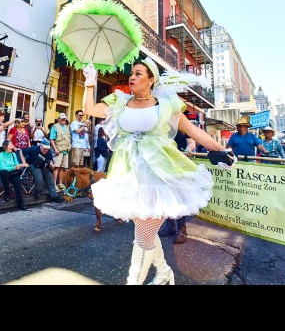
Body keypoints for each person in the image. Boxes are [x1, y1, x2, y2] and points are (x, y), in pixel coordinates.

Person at [82, 58, 229, 285]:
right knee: (145, 233)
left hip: (161, 177)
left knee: (143, 236)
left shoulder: (166, 104)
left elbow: (193, 131)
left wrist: (221, 150)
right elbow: (89, 109)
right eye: (131, 73)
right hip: (130, 177)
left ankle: (135, 282)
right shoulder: (120, 102)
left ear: (151, 80)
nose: (132, 77)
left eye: (139, 73)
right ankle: (163, 274)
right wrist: (89, 83)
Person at [158, 131, 196, 244]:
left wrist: (188, 149)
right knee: (166, 196)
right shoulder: (160, 122)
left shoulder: (180, 123)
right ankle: (170, 226)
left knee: (179, 197)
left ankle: (181, 229)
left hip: (179, 165)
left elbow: (191, 141)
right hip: (163, 165)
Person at [19, 138, 63, 203]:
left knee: (50, 177)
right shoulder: (34, 149)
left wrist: (51, 164)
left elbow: (50, 160)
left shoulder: (48, 152)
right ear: (41, 146)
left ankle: (54, 195)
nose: (46, 150)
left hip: (43, 165)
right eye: (44, 148)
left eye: (47, 149)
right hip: (33, 164)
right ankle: (38, 191)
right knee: (39, 178)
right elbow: (21, 152)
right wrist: (24, 162)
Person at [0, 139, 27, 210]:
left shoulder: (13, 154)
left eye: (12, 145)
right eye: (10, 145)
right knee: (5, 173)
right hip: (1, 172)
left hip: (12, 172)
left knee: (17, 180)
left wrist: (19, 166)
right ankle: (7, 194)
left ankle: (20, 202)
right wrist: (14, 167)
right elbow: (3, 168)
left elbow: (16, 164)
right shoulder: (0, 155)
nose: (12, 147)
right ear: (5, 147)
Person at [49, 112, 72, 191]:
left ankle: (60, 183)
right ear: (58, 119)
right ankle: (54, 184)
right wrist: (55, 149)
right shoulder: (54, 127)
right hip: (58, 150)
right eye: (62, 118)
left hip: (66, 150)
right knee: (56, 167)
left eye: (64, 118)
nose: (63, 120)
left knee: (63, 168)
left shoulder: (66, 127)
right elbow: (51, 139)